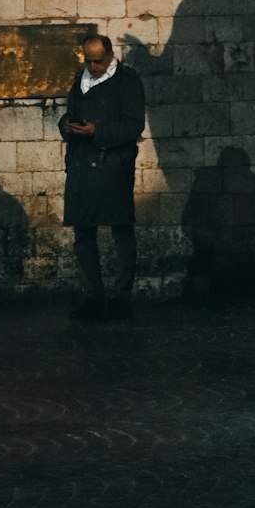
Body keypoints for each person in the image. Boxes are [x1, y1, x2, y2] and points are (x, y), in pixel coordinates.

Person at [59, 33, 145, 321]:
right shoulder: (79, 79)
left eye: (98, 61)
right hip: (82, 164)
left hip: (112, 164)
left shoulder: (127, 81)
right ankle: (93, 296)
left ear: (109, 56)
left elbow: (133, 126)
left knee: (121, 229)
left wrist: (98, 132)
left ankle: (121, 298)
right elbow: (70, 111)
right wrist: (68, 125)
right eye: (89, 60)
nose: (93, 66)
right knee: (83, 232)